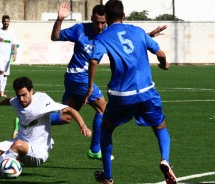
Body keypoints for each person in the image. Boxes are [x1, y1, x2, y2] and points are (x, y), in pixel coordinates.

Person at [51, 0, 167, 161]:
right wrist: (60, 19)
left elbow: (124, 42)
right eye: (97, 22)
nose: (100, 26)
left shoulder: (107, 33)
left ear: (108, 20)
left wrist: (149, 35)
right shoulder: (80, 30)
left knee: (67, 116)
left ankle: (30, 120)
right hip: (80, 77)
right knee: (103, 109)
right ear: (91, 18)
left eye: (103, 23)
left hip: (72, 78)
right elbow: (55, 36)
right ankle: (95, 149)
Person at [83, 0, 176, 184]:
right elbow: (161, 54)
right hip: (147, 92)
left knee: (107, 129)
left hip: (121, 96)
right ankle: (165, 159)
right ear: (124, 16)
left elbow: (94, 60)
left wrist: (89, 87)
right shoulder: (138, 31)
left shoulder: (102, 37)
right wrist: (164, 65)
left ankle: (107, 176)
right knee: (160, 127)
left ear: (107, 18)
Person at [0, 76, 91, 177]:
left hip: (38, 152)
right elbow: (10, 101)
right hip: (19, 144)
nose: (22, 99)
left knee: (18, 144)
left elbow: (70, 110)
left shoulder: (43, 100)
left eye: (24, 95)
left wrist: (83, 125)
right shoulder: (17, 101)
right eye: (19, 96)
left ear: (31, 91)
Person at [0, 15, 18, 97]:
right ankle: (1, 91)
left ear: (9, 22)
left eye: (7, 21)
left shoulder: (12, 32)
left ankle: (2, 91)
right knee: (1, 70)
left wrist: (14, 54)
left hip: (7, 56)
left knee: (5, 74)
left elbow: (14, 44)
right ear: (2, 22)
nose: (6, 23)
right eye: (4, 21)